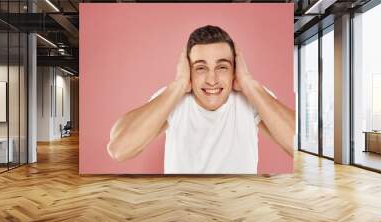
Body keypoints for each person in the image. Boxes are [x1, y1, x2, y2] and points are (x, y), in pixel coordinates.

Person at [107, 25, 295, 174]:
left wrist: (248, 83)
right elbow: (119, 149)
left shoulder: (253, 97)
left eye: (222, 67)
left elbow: (296, 143)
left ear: (234, 70)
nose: (212, 80)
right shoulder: (172, 98)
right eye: (200, 68)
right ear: (189, 70)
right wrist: (179, 84)